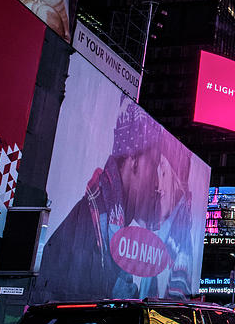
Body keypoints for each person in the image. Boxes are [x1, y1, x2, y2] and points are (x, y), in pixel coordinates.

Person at [36, 99, 164, 302]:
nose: (157, 182)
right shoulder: (88, 226)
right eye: (154, 165)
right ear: (134, 163)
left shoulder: (110, 223)